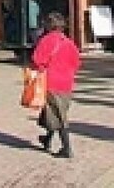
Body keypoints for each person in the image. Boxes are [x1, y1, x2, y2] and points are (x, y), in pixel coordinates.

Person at [32, 11, 81, 158]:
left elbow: (37, 60)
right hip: (67, 83)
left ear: (48, 25)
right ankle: (47, 139)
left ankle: (67, 148)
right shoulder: (69, 42)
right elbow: (76, 63)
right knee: (53, 111)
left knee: (58, 115)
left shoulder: (46, 41)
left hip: (51, 82)